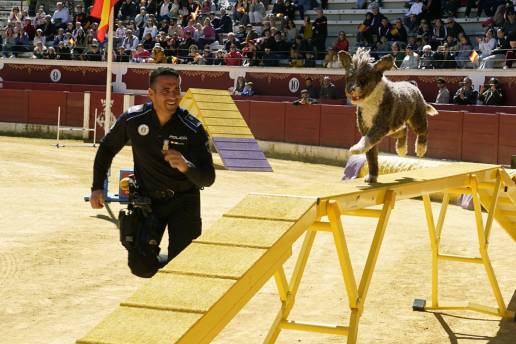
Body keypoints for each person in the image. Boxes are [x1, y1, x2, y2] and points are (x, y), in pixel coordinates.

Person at [89, 67, 216, 278]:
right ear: (151, 94)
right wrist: (96, 187)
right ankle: (170, 269)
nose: (173, 95)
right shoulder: (133, 119)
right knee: (141, 266)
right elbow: (107, 148)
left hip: (184, 201)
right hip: (147, 202)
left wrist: (186, 166)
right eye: (165, 90)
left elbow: (208, 177)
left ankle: (176, 273)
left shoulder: (193, 128)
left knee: (184, 265)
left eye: (177, 90)